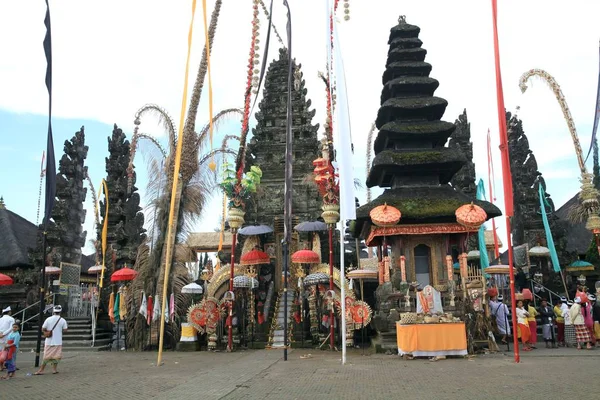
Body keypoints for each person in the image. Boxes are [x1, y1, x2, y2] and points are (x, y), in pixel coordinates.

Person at [35, 305, 68, 375]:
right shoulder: (62, 320)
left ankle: (41, 370)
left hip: (49, 341)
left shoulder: (48, 319)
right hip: (58, 341)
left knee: (46, 356)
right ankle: (54, 369)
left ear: (53, 311)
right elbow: (65, 330)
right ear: (60, 312)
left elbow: (43, 328)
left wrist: (48, 331)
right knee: (56, 356)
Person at [0, 306, 15, 370]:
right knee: (8, 352)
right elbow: (11, 328)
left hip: (1, 337)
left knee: (1, 351)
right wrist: (4, 334)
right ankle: (9, 365)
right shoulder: (11, 319)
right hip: (8, 337)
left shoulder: (0, 319)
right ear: (9, 312)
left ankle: (1, 366)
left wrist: (1, 334)